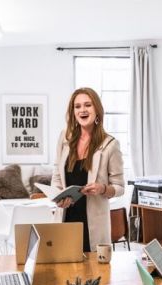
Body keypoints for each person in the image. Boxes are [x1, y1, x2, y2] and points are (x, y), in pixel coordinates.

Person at [52, 87, 125, 252]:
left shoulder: (110, 144)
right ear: (73, 112)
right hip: (65, 219)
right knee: (64, 272)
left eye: (87, 105)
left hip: (93, 224)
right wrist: (58, 197)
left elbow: (120, 187)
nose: (82, 110)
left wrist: (103, 188)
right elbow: (57, 177)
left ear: (97, 109)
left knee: (92, 273)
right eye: (77, 106)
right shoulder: (64, 138)